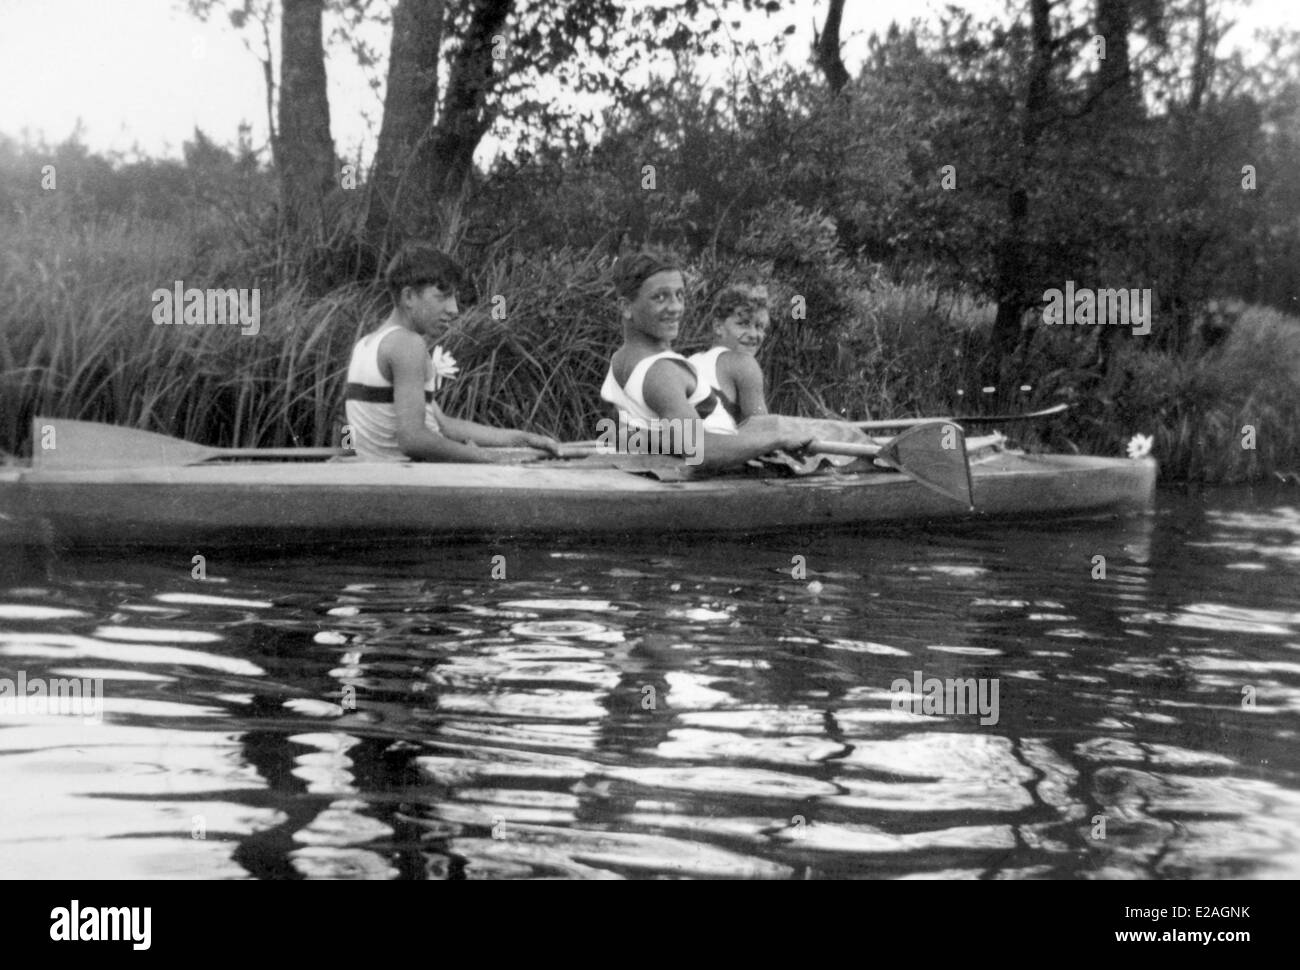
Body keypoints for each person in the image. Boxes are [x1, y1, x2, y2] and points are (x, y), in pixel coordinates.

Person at [345, 243, 560, 462]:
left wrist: (521, 438)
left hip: (386, 479)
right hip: (410, 483)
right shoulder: (406, 344)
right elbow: (413, 439)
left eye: (453, 297)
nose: (454, 309)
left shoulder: (366, 344)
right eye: (442, 297)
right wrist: (489, 458)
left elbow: (444, 426)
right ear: (408, 297)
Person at [599, 250, 809, 470]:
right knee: (776, 427)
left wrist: (644, 438)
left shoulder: (620, 360)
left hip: (694, 462)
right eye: (660, 297)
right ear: (626, 307)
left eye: (679, 295)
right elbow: (700, 449)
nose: (675, 308)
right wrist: (777, 439)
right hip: (722, 474)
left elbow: (633, 433)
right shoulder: (662, 372)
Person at [689, 281, 771, 426]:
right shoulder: (744, 364)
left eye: (759, 327)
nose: (753, 334)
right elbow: (761, 431)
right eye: (743, 324)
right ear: (718, 326)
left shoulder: (691, 361)